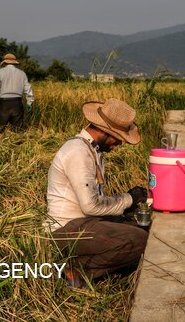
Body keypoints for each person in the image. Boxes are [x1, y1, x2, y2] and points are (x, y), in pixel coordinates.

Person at [46, 98, 149, 287]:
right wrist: (128, 199)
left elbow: (95, 200)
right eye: (117, 138)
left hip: (84, 221)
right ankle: (72, 269)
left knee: (144, 226)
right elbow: (91, 205)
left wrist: (128, 202)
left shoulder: (92, 150)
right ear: (104, 131)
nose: (119, 143)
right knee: (138, 240)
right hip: (65, 229)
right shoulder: (78, 152)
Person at [0, 53, 34, 133]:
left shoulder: (0, 72)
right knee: (18, 131)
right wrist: (29, 103)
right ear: (15, 63)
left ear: (4, 63)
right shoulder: (22, 74)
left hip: (3, 104)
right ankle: (19, 144)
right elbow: (28, 89)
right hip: (17, 103)